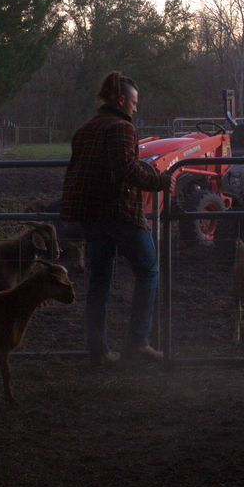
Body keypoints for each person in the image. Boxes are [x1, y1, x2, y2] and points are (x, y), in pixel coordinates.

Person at [60, 71, 174, 364]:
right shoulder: (121, 127)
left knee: (99, 282)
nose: (136, 109)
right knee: (148, 272)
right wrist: (157, 183)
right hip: (119, 212)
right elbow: (126, 168)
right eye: (134, 103)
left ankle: (97, 350)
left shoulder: (85, 128)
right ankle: (137, 343)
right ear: (122, 100)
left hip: (89, 214)